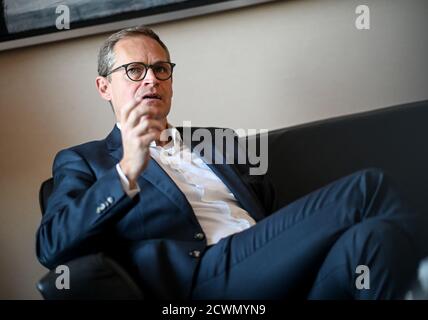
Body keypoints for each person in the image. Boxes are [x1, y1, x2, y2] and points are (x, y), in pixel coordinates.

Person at [36, 25, 428, 300]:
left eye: (161, 69)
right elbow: (52, 245)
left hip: (270, 267)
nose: (151, 80)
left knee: (376, 239)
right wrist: (128, 170)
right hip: (200, 281)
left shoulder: (219, 141)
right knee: (367, 188)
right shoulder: (85, 160)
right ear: (104, 86)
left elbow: (276, 219)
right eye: (134, 70)